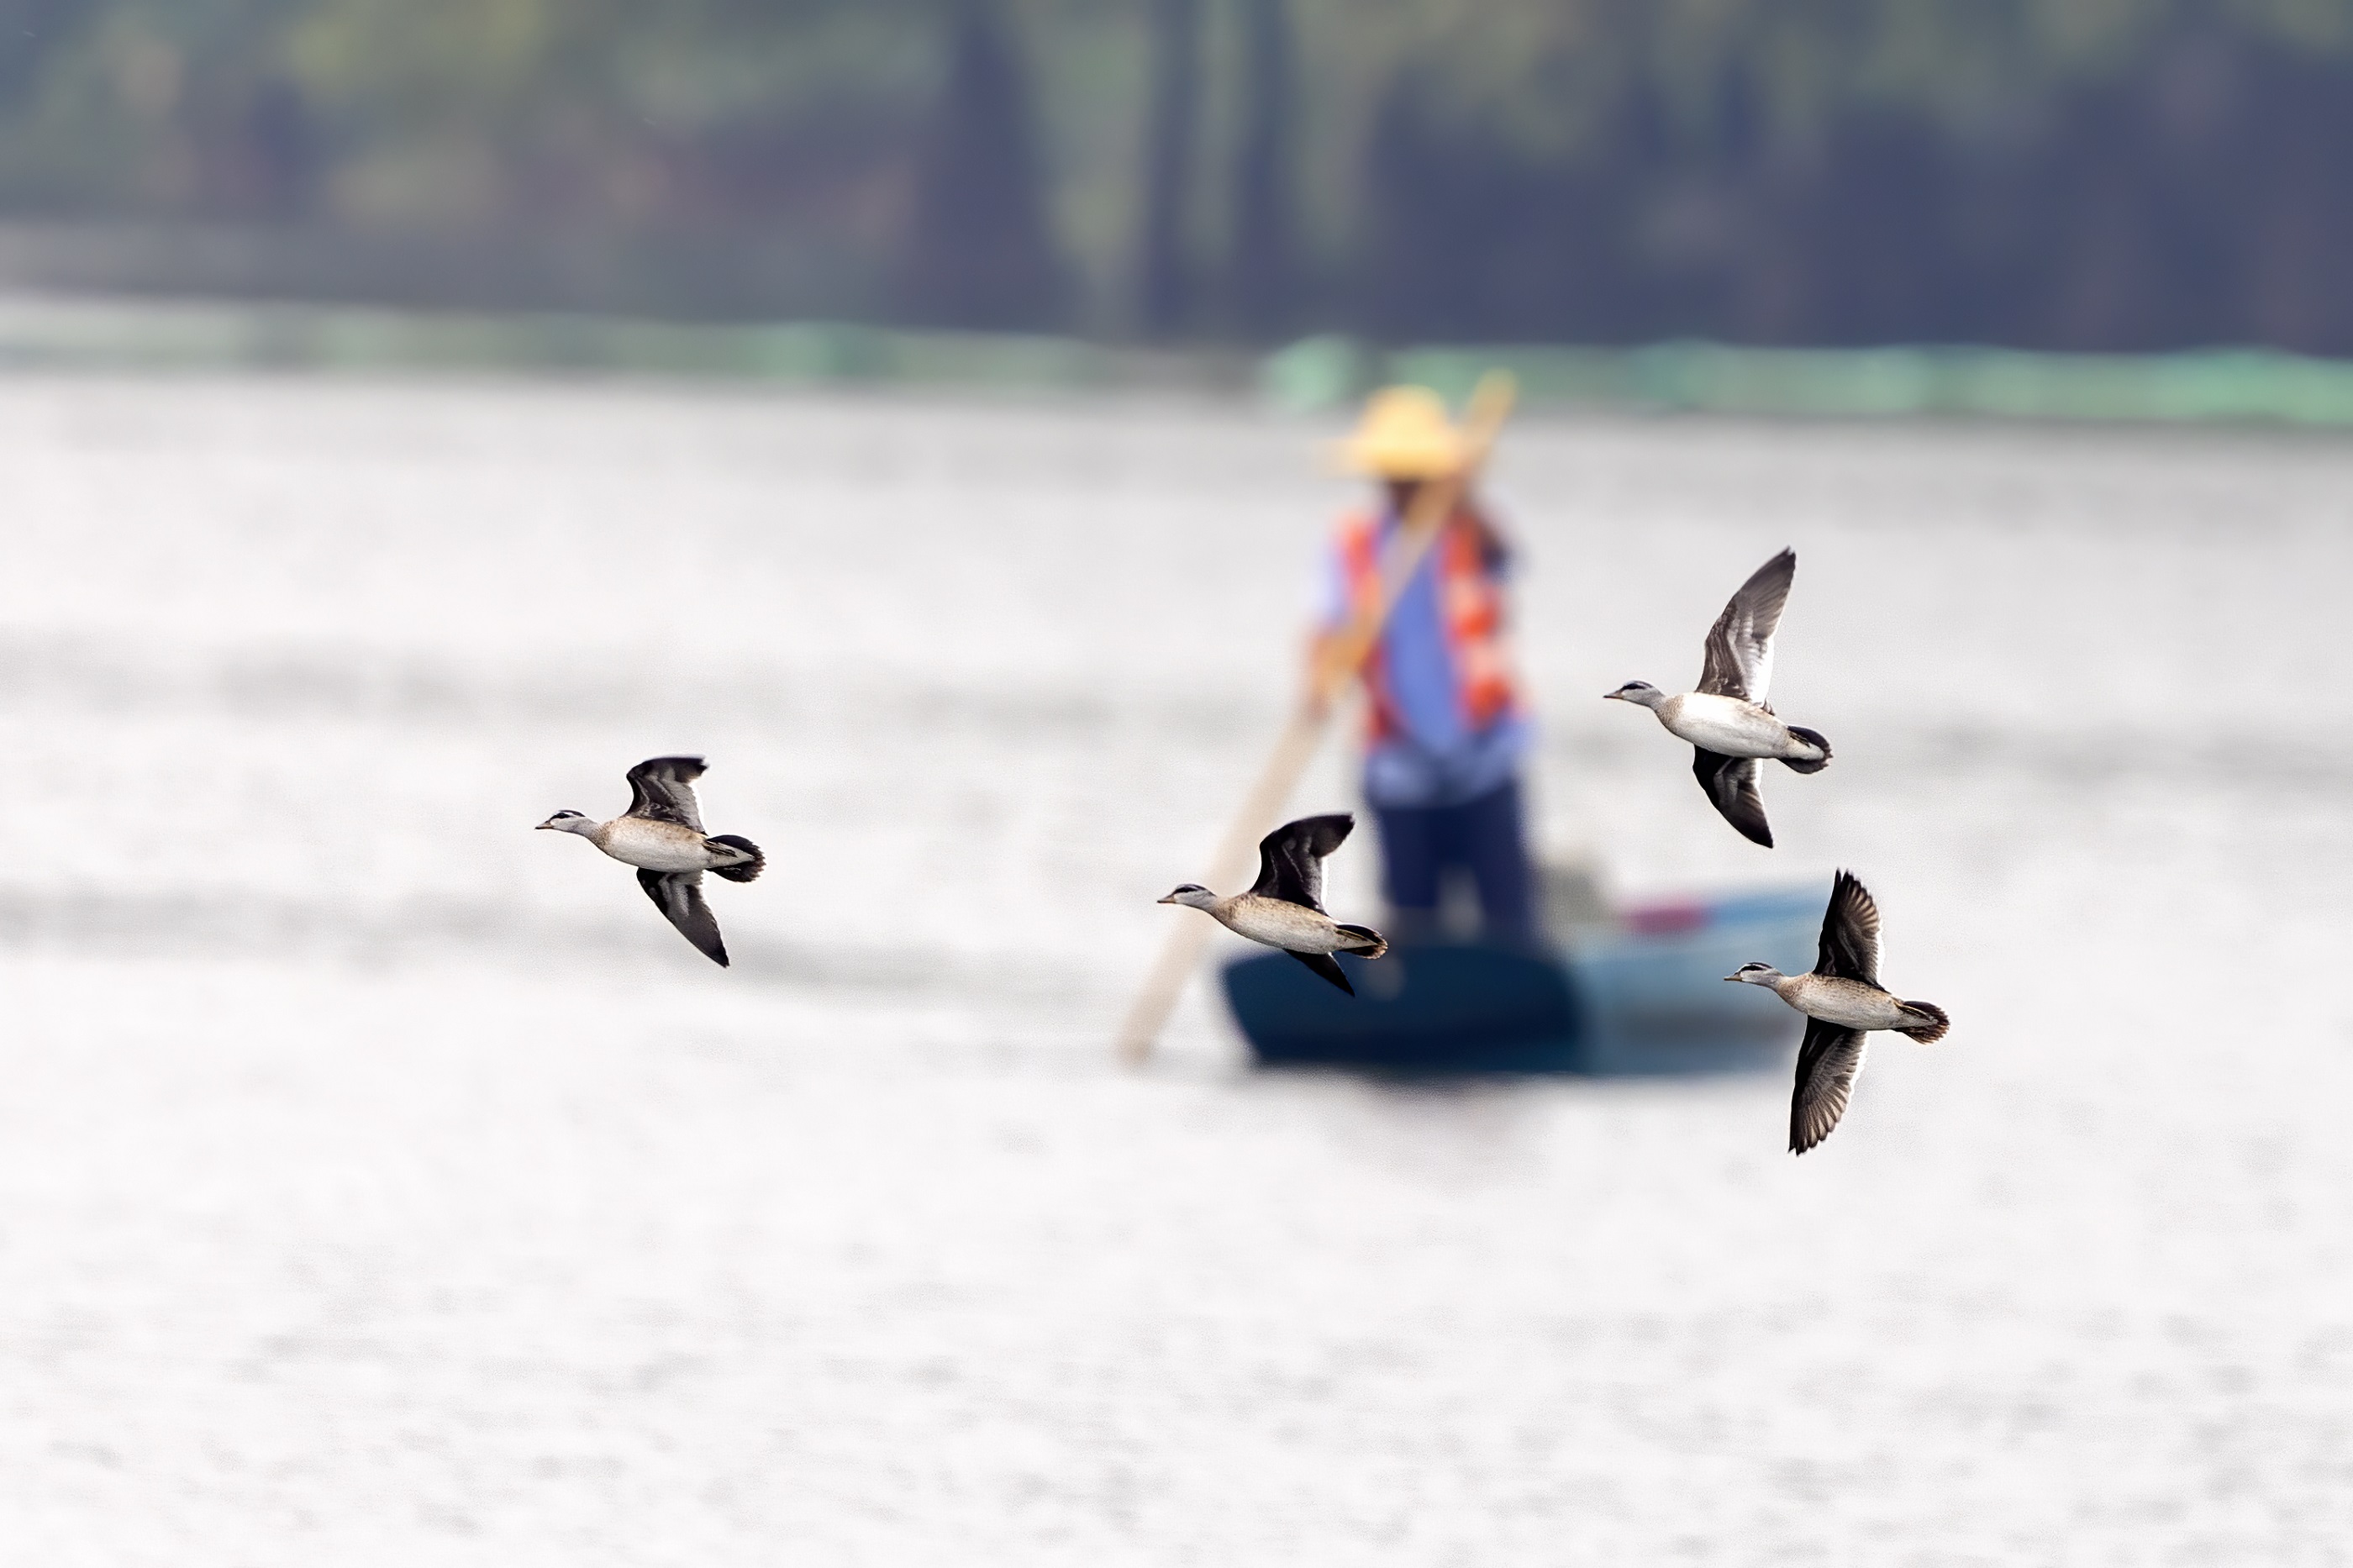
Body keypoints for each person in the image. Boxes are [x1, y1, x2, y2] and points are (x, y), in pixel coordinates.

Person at [1306, 386, 1538, 946]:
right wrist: (1318, 685)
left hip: (1483, 755)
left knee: (1508, 921)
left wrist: (1463, 495)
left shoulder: (1468, 530)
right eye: (1395, 474)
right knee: (1414, 923)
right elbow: (1326, 629)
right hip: (1400, 767)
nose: (1404, 486)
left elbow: (1505, 558)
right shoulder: (1357, 545)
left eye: (1416, 474)